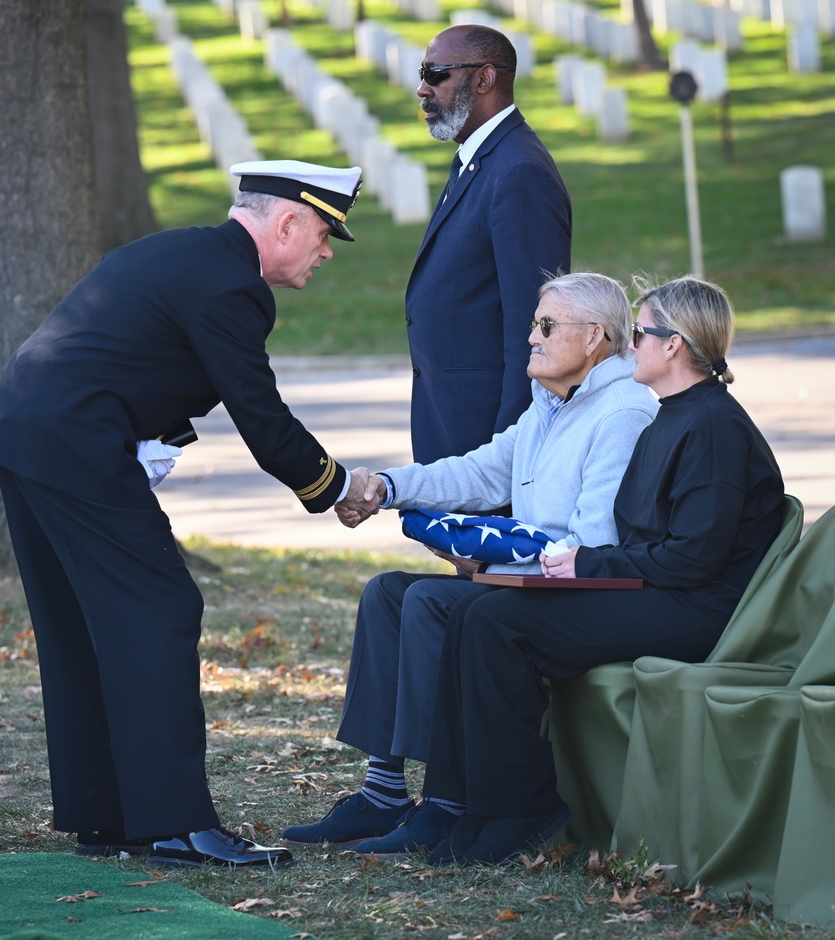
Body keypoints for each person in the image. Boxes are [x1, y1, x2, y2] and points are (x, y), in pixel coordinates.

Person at [0, 159, 368, 869]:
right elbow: (261, 416)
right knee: (159, 609)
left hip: (32, 431)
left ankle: (111, 814)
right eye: (324, 232)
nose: (327, 250)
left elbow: (135, 357)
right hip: (76, 442)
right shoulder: (232, 285)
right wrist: (337, 487)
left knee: (85, 624)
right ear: (286, 222)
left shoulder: (184, 251)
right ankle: (176, 826)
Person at [356, 276, 786, 865]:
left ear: (674, 346)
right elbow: (650, 539)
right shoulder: (674, 415)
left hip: (700, 609)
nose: (630, 345)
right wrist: (394, 490)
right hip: (665, 589)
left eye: (640, 333)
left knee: (496, 620)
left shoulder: (707, 425)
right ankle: (466, 806)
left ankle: (520, 807)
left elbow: (692, 559)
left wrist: (584, 560)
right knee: (482, 613)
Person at [281, 272, 659, 852]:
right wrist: (385, 486)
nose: (531, 336)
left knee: (431, 600)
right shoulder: (552, 405)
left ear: (596, 338)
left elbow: (594, 542)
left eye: (547, 325)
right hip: (529, 581)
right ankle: (383, 792)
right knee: (387, 592)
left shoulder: (622, 411)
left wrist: (483, 560)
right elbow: (479, 472)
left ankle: (447, 803)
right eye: (535, 322)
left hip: (574, 593)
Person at [407, 24, 572, 464]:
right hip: (453, 425)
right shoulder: (478, 159)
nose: (422, 88)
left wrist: (510, 452)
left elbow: (535, 325)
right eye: (422, 72)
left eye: (436, 73)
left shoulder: (518, 171)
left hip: (485, 442)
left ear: (484, 79)